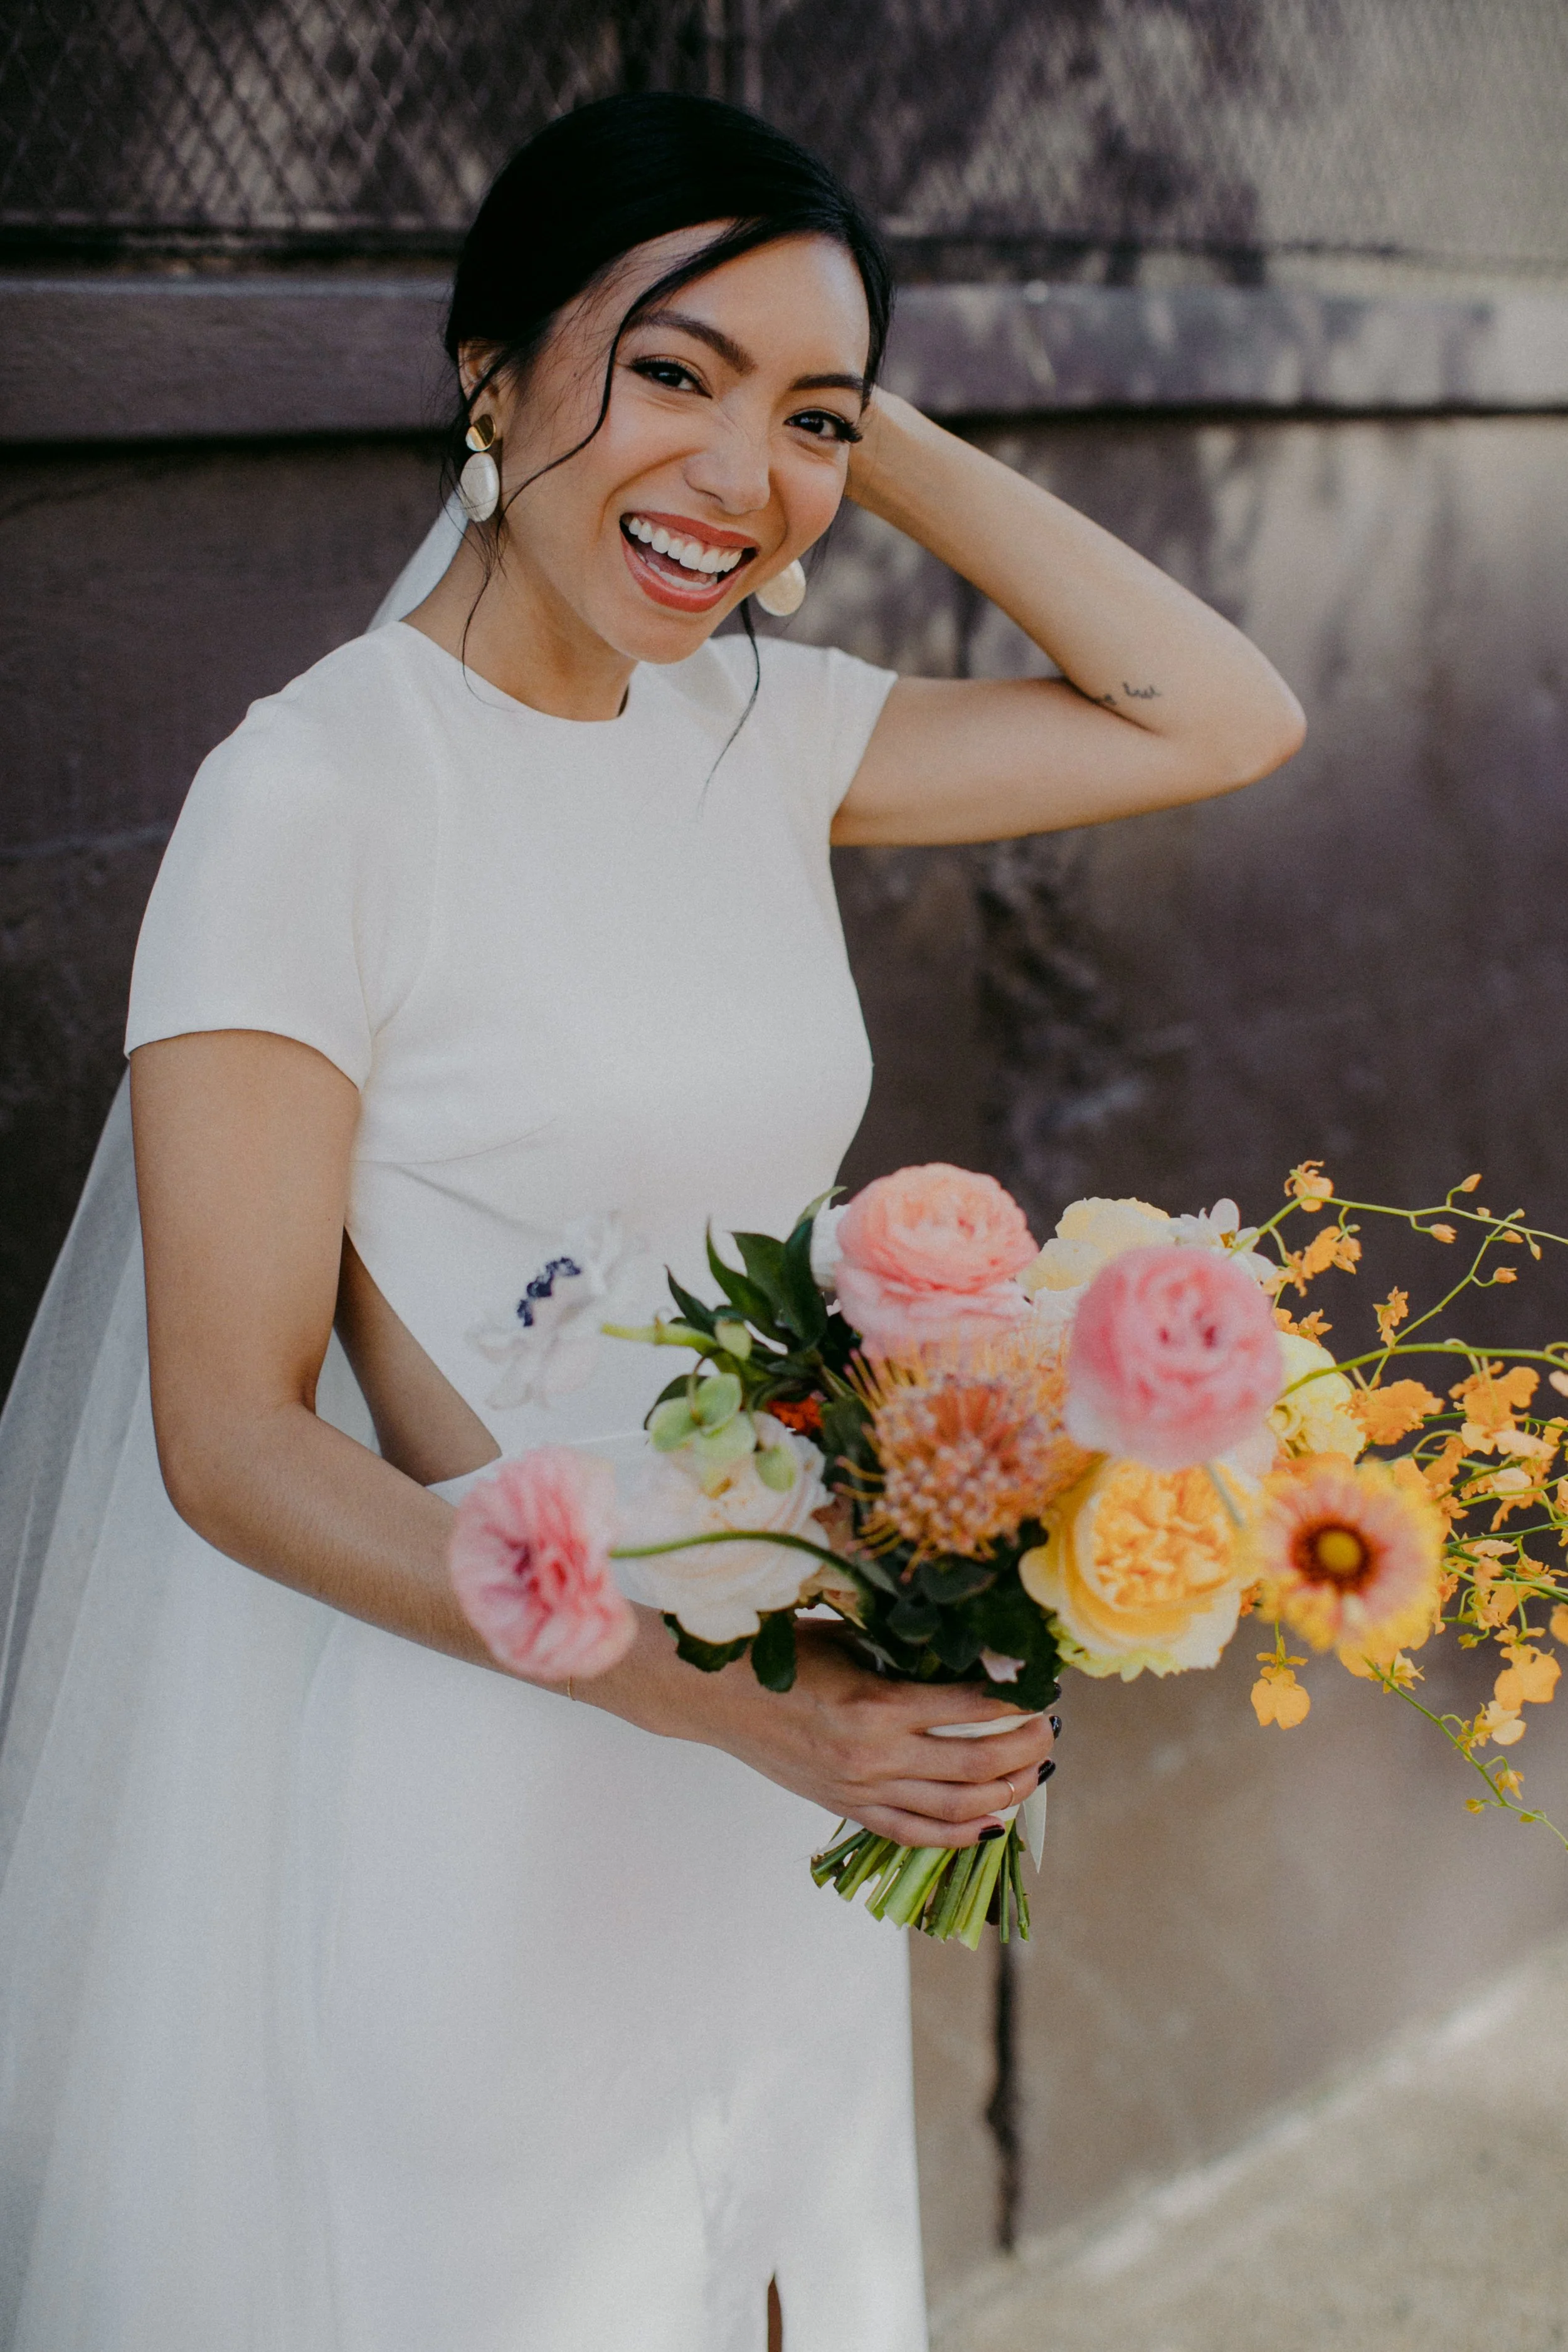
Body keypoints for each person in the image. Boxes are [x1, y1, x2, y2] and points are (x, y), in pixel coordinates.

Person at [0, 92, 1303, 2352]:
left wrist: (835, 431)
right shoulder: (313, 794)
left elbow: (1221, 710)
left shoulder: (759, 731)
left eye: (807, 413)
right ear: (490, 372)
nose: (738, 474)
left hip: (787, 1744)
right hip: (506, 1750)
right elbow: (232, 1435)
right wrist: (740, 1711)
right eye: (668, 370)